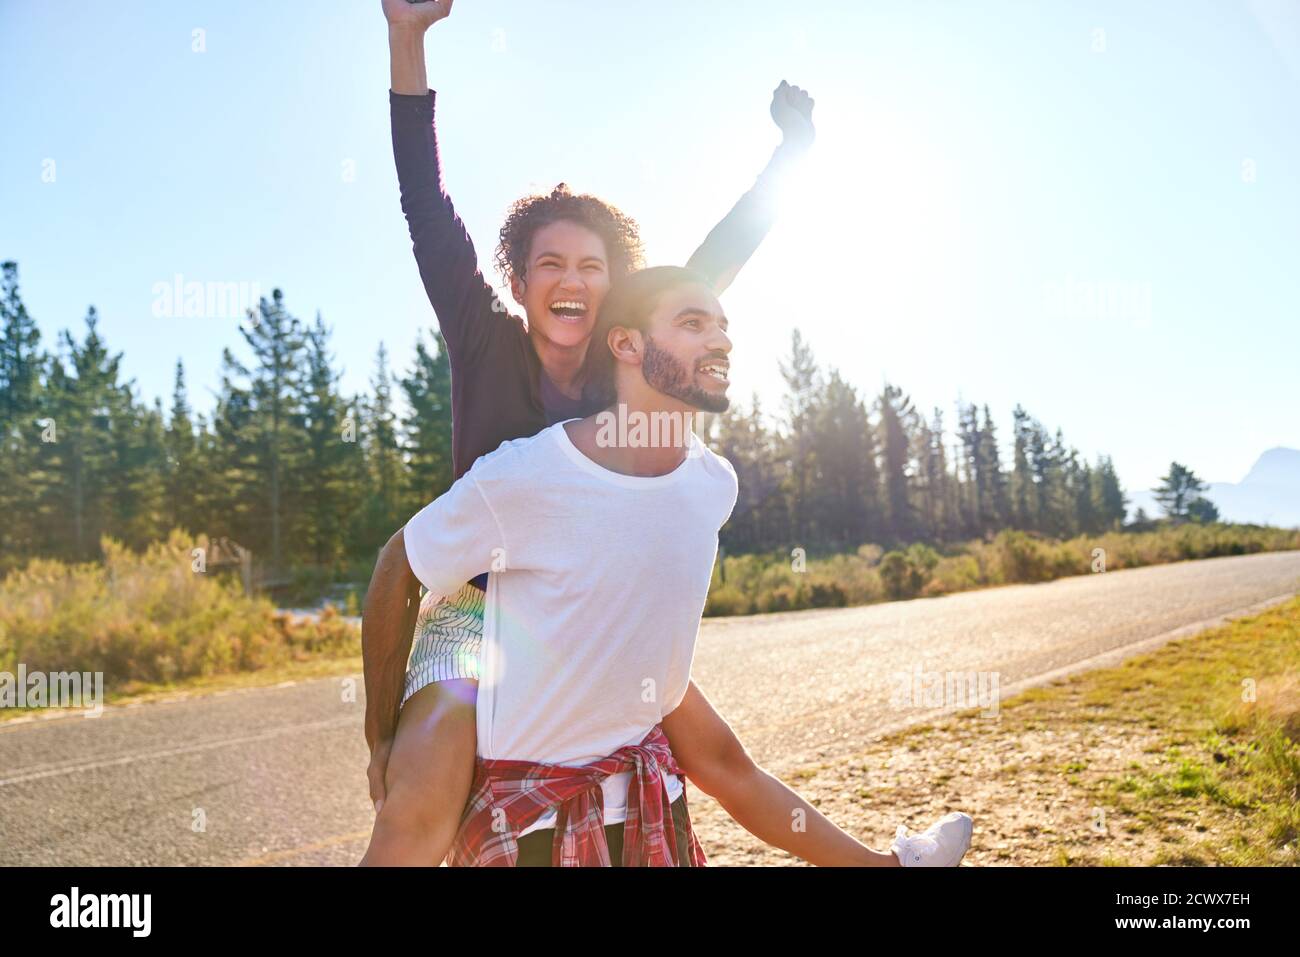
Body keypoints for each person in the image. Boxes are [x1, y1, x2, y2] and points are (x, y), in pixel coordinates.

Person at [364, 0, 973, 866]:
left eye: (590, 265)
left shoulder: (638, 358)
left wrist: (789, 159)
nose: (570, 280)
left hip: (582, 604)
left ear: (614, 290)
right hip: (479, 607)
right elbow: (425, 203)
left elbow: (721, 256)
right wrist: (406, 39)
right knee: (417, 808)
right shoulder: (481, 333)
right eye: (549, 265)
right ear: (519, 279)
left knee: (719, 757)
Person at [377, 264, 975, 865]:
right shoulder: (527, 476)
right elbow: (395, 567)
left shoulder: (713, 486)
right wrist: (380, 736)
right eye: (692, 323)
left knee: (724, 760)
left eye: (722, 325)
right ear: (627, 343)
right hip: (535, 829)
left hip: (653, 808)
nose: (720, 340)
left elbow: (688, 717)